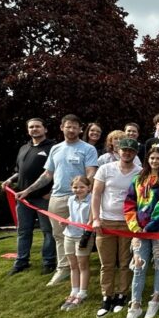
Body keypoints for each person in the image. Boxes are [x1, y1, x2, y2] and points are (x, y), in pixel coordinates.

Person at [15, 114, 99, 286]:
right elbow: (47, 175)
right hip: (58, 198)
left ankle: (80, 268)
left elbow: (91, 171)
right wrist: (27, 190)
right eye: (68, 126)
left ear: (80, 129)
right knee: (59, 235)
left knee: (83, 235)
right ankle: (63, 269)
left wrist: (84, 189)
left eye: (75, 127)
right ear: (62, 127)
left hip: (79, 200)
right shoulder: (56, 149)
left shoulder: (88, 149)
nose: (71, 129)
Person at [123, 146, 159, 318]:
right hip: (138, 229)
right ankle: (135, 305)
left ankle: (156, 298)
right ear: (147, 160)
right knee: (139, 264)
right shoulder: (138, 179)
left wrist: (149, 226)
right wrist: (134, 226)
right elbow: (129, 203)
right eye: (152, 158)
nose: (155, 161)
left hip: (158, 227)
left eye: (158, 158)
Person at [90, 137, 141, 318]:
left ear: (135, 154)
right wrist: (95, 219)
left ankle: (122, 294)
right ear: (118, 151)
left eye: (131, 151)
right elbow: (96, 195)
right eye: (124, 149)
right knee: (107, 263)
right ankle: (107, 296)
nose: (127, 153)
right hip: (106, 222)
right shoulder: (105, 169)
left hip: (128, 222)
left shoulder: (140, 172)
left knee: (125, 262)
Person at [3, 118, 56, 276]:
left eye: (38, 126)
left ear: (45, 129)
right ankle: (21, 262)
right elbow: (20, 171)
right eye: (31, 127)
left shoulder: (53, 148)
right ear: (28, 130)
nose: (34, 129)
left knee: (48, 231)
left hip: (43, 198)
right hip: (23, 198)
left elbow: (56, 172)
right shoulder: (24, 148)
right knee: (23, 231)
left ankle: (49, 261)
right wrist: (10, 180)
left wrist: (51, 192)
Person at [60, 175, 93, 310]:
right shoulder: (71, 199)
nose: (78, 190)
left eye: (81, 187)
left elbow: (91, 219)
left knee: (82, 265)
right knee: (73, 265)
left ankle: (82, 292)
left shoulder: (92, 200)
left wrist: (86, 233)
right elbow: (73, 216)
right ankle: (74, 291)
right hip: (69, 234)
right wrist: (65, 220)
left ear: (88, 188)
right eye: (75, 187)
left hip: (83, 236)